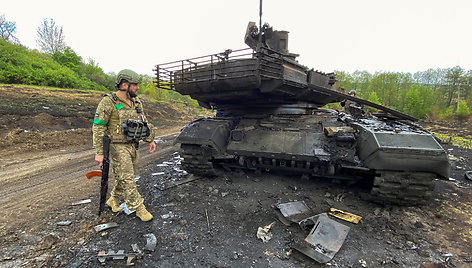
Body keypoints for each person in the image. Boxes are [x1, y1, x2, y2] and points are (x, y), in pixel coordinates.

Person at [92, 69, 157, 222]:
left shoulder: (136, 102)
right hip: (117, 146)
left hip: (133, 145)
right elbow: (98, 126)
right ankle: (139, 207)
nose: (137, 88)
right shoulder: (108, 102)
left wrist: (150, 139)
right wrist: (99, 152)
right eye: (135, 85)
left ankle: (113, 199)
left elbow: (144, 122)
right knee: (127, 178)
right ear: (124, 84)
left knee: (126, 176)